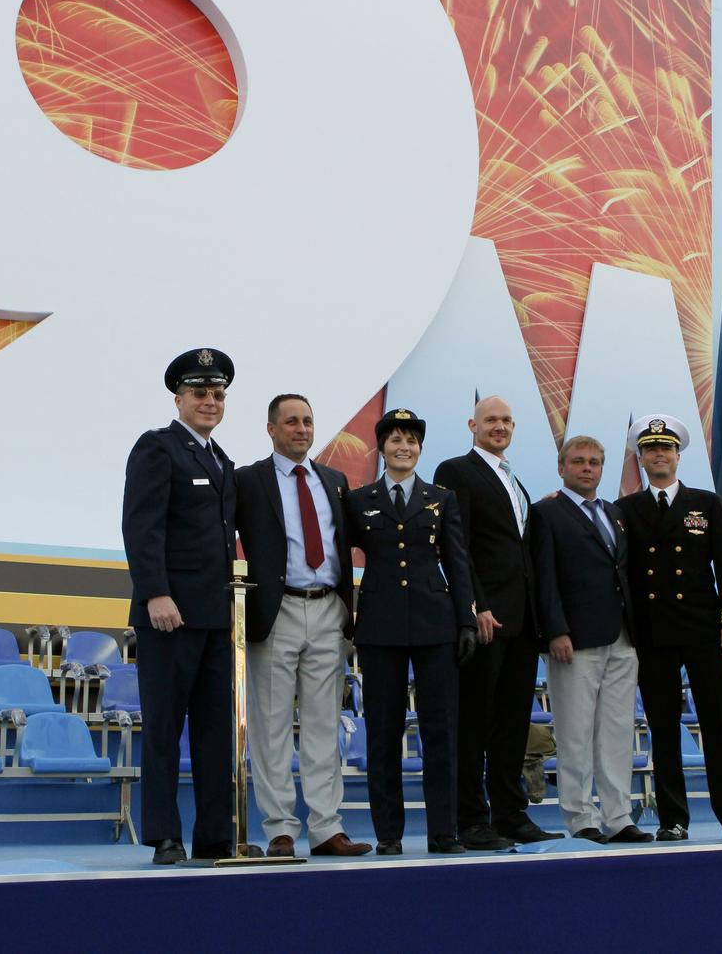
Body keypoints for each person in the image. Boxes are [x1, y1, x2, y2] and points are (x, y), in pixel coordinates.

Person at [235, 393, 371, 859]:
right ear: (271, 428)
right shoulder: (248, 481)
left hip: (328, 608)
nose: (302, 429)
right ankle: (280, 830)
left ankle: (327, 828)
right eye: (291, 421)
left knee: (322, 725)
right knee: (271, 726)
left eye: (308, 421)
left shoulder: (334, 481)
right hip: (277, 611)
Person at [614, 415, 722, 841]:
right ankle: (672, 819)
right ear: (640, 458)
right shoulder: (625, 510)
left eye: (667, 448)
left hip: (703, 630)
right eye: (650, 449)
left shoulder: (706, 503)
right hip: (653, 633)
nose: (659, 455)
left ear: (678, 455)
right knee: (663, 730)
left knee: (719, 726)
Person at [121, 347, 239, 864]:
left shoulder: (221, 460)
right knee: (165, 730)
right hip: (168, 614)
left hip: (215, 616)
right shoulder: (158, 448)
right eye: (200, 393)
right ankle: (164, 836)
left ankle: (214, 837)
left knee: (216, 734)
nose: (210, 401)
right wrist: (155, 592)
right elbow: (142, 526)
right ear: (179, 398)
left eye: (217, 394)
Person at [345, 408, 478, 855]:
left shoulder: (442, 497)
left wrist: (465, 619)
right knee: (383, 732)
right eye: (396, 440)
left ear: (420, 448)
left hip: (435, 624)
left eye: (412, 441)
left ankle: (444, 831)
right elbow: (340, 561)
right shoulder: (359, 499)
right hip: (380, 627)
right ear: (381, 448)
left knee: (441, 732)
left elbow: (457, 562)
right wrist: (347, 616)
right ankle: (389, 834)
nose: (404, 448)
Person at [434, 396, 560, 848]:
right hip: (487, 617)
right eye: (491, 420)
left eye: (507, 420)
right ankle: (470, 817)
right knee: (474, 722)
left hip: (523, 621)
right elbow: (458, 545)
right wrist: (477, 606)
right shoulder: (456, 470)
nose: (500, 426)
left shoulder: (514, 480)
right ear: (473, 425)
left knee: (513, 723)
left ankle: (510, 813)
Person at [530, 436, 652, 843]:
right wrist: (555, 630)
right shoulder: (546, 512)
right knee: (575, 733)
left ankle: (619, 816)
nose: (587, 468)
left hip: (621, 635)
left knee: (617, 731)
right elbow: (543, 578)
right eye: (578, 461)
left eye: (595, 462)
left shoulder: (615, 514)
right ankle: (580, 817)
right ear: (561, 467)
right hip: (574, 639)